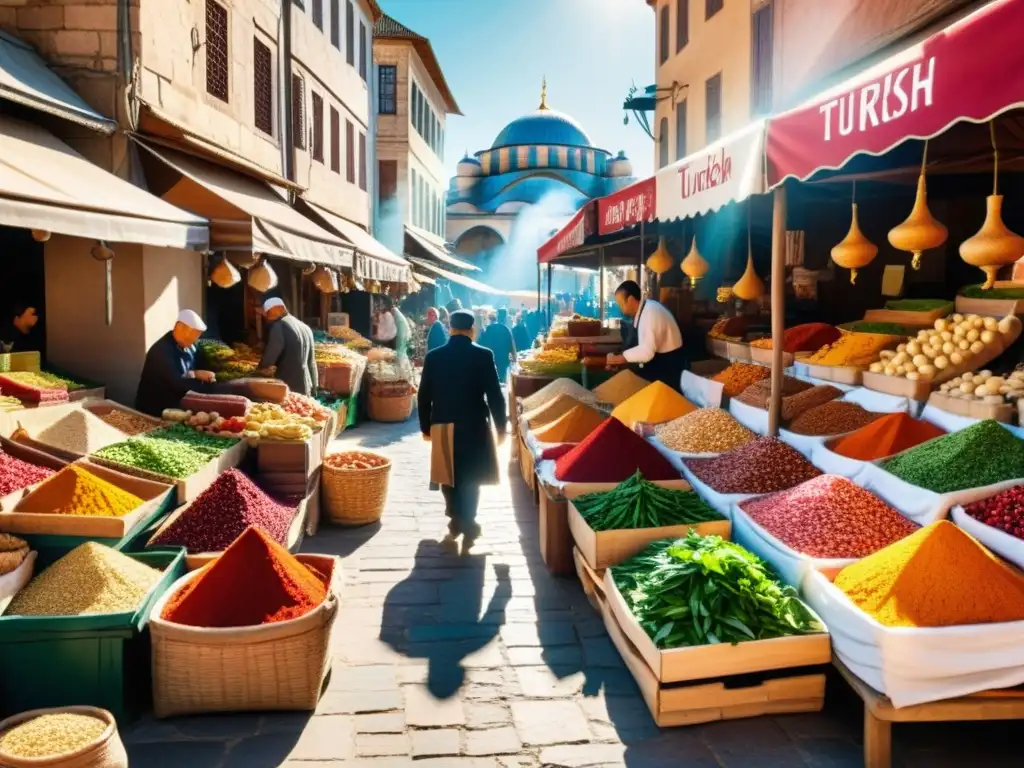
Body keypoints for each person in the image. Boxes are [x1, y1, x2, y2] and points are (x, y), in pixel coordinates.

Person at [418, 310, 507, 553]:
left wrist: (425, 427)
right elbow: (495, 396)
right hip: (475, 425)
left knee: (448, 476)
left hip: (443, 424)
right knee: (471, 478)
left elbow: (424, 395)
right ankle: (466, 521)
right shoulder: (483, 355)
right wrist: (502, 428)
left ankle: (457, 519)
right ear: (472, 329)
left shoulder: (434, 357)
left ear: (450, 327)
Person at [606, 280, 686, 390]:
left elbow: (647, 352)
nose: (620, 308)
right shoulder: (642, 310)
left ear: (630, 299)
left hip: (668, 368)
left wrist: (621, 358)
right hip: (657, 364)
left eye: (620, 303)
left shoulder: (651, 312)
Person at [135, 309, 216, 416]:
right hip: (156, 409)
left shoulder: (193, 346)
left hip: (180, 406)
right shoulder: (161, 350)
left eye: (197, 335)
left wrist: (209, 376)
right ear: (179, 327)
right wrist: (196, 374)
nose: (194, 339)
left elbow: (204, 366)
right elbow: (177, 382)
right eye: (192, 334)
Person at [258, 298, 317, 396]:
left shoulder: (279, 325)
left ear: (280, 308)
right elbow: (312, 361)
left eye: (269, 312)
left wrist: (261, 367)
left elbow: (273, 351)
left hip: (289, 384)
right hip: (306, 384)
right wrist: (314, 385)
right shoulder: (305, 327)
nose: (268, 316)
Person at [479, 307, 516, 383]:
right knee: (502, 381)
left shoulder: (490, 328)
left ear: (498, 317)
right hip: (503, 361)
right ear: (505, 317)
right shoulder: (506, 329)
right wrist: (515, 359)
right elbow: (512, 347)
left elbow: (482, 343)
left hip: (491, 359)